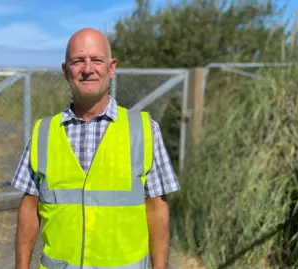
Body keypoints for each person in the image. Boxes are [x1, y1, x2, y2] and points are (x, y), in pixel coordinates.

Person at [11, 27, 180, 269]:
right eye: (78, 61)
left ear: (111, 68)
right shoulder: (43, 133)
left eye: (96, 60)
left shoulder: (144, 130)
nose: (88, 69)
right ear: (65, 70)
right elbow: (29, 207)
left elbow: (157, 208)